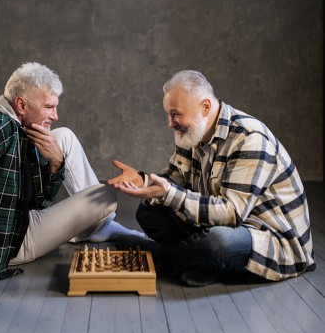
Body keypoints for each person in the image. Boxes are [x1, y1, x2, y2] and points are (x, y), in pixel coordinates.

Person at [0, 62, 143, 314]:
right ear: (21, 104)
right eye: (48, 107)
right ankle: (98, 227)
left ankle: (96, 227)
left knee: (64, 135)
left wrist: (56, 162)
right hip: (6, 246)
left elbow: (40, 199)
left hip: (17, 220)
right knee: (106, 196)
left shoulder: (16, 126)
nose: (55, 115)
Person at [109, 70, 315, 286]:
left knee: (217, 243)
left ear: (205, 107)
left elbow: (232, 213)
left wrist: (169, 194)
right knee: (149, 212)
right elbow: (173, 181)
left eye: (175, 114)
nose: (171, 123)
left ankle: (158, 256)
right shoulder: (193, 133)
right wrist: (144, 182)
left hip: (269, 238)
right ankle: (203, 264)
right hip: (222, 222)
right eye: (168, 114)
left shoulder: (249, 138)